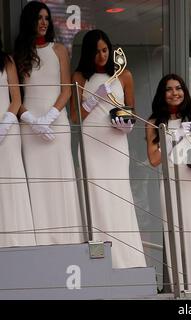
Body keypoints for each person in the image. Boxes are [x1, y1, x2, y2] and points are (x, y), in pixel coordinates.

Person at [70, 29, 146, 268]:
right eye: (97, 52)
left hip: (116, 144)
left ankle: (127, 259)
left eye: (105, 50)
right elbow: (74, 116)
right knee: (96, 196)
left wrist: (126, 124)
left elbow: (132, 111)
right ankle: (98, 258)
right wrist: (94, 99)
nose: (102, 56)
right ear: (88, 54)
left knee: (120, 196)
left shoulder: (125, 76)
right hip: (91, 143)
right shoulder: (80, 77)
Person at [14, 1, 83, 245]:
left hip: (56, 123)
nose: (43, 22)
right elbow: (16, 96)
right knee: (37, 181)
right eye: (38, 18)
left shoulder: (60, 50)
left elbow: (66, 89)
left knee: (61, 178)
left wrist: (49, 118)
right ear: (29, 22)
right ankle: (42, 240)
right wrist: (32, 120)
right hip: (30, 127)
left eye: (46, 18)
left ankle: (67, 239)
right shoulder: (19, 54)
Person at [146, 74, 191, 296]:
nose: (175, 93)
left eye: (179, 88)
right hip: (171, 184)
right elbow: (154, 160)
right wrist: (172, 138)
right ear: (162, 94)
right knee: (177, 238)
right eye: (169, 89)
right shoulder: (153, 122)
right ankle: (182, 292)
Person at [0, 29, 36, 248]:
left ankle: (17, 239)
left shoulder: (7, 61)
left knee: (11, 178)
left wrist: (5, 124)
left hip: (8, 128)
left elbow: (16, 98)